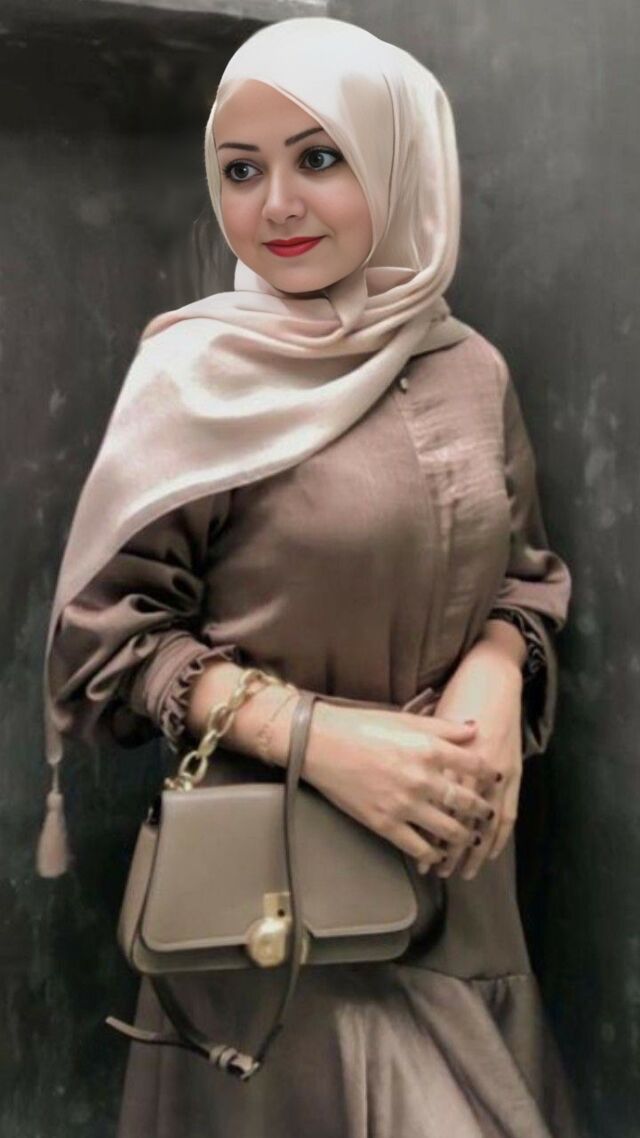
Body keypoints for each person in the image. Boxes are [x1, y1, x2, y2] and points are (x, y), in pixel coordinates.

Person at [36, 16, 581, 1137]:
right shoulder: (196, 376)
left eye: (319, 157)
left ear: (396, 157)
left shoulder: (470, 369)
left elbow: (524, 579)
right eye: (242, 170)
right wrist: (323, 741)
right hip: (275, 915)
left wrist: (496, 668)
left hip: (461, 885)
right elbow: (108, 646)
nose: (276, 204)